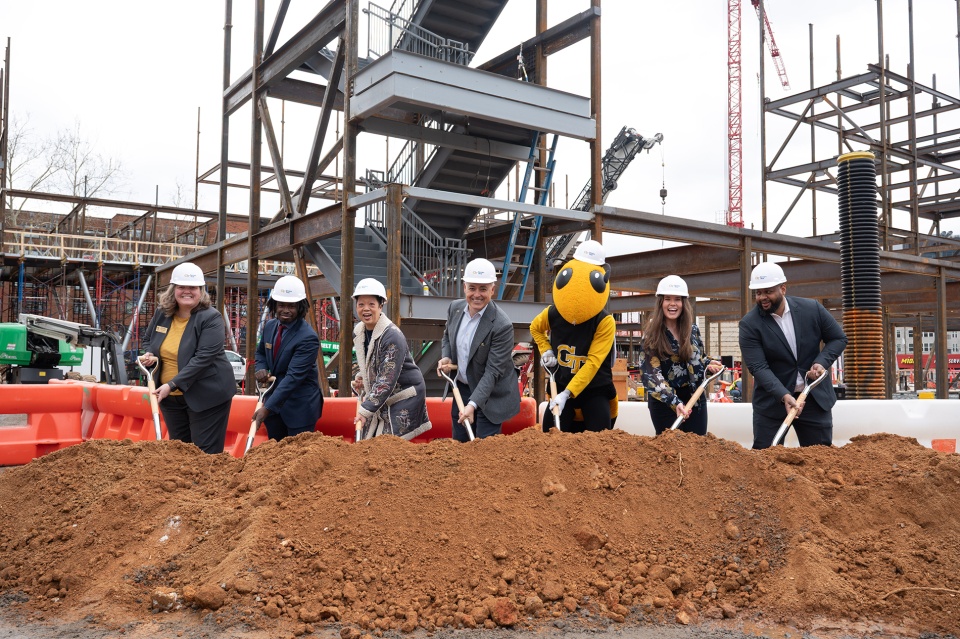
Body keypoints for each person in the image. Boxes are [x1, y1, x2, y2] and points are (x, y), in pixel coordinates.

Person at [738, 261, 848, 449]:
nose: (762, 297)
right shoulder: (750, 324)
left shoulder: (811, 309)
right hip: (772, 404)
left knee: (820, 459)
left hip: (814, 399)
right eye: (758, 293)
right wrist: (783, 395)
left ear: (783, 288)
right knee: (766, 461)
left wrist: (821, 363)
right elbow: (758, 367)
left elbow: (838, 338)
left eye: (768, 291)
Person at [140, 262, 236, 454]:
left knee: (204, 454)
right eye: (181, 287)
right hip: (171, 399)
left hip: (207, 396)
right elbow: (148, 340)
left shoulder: (211, 318)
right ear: (173, 289)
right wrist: (150, 354)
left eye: (192, 288)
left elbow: (203, 358)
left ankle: (208, 485)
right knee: (180, 452)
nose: (187, 292)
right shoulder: (162, 314)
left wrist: (172, 384)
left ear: (200, 290)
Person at [530, 239, 619, 432]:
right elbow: (535, 328)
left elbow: (594, 363)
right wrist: (546, 350)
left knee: (600, 434)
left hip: (595, 389)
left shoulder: (604, 321)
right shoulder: (553, 313)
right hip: (561, 382)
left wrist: (568, 393)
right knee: (550, 431)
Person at [437, 258, 521, 442]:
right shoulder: (455, 308)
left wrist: (473, 405)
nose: (477, 294)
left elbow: (492, 372)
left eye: (483, 289)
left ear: (492, 289)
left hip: (492, 395)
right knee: (459, 447)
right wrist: (446, 357)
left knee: (483, 454)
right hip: (463, 388)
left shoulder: (501, 325)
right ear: (464, 287)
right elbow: (447, 336)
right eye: (472, 288)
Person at [638, 275, 722, 435]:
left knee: (696, 448)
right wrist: (674, 402)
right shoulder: (652, 335)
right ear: (660, 302)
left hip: (694, 399)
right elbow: (651, 375)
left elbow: (699, 359)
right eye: (667, 299)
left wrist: (709, 364)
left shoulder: (692, 330)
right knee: (672, 451)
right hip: (665, 402)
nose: (672, 304)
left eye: (677, 299)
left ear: (684, 303)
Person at [350, 278, 431, 440]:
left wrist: (365, 410)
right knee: (371, 442)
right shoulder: (359, 331)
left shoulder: (392, 336)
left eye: (371, 304)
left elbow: (386, 379)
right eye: (361, 304)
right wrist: (362, 376)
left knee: (387, 445)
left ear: (381, 306)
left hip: (404, 395)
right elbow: (373, 361)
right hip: (384, 396)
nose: (366, 309)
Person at [253, 275, 323, 440]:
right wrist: (261, 368)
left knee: (297, 458)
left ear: (300, 307)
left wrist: (267, 407)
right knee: (276, 454)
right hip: (275, 405)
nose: (285, 310)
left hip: (300, 408)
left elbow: (293, 377)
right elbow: (261, 352)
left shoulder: (307, 337)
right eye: (281, 305)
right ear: (274, 305)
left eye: (291, 306)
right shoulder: (270, 327)